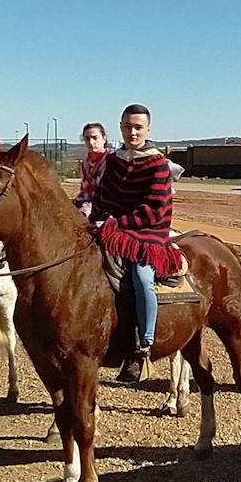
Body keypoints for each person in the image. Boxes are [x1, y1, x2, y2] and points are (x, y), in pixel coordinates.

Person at [91, 104, 183, 385]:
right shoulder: (115, 160)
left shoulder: (157, 164)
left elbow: (155, 209)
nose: (132, 132)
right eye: (127, 126)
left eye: (138, 127)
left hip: (147, 232)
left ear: (148, 129)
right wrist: (94, 218)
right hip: (113, 226)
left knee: (142, 277)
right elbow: (103, 195)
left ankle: (143, 345)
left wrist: (115, 225)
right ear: (120, 127)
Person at [73, 122, 109, 218]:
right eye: (87, 139)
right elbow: (84, 189)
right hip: (86, 202)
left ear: (104, 138)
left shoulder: (112, 159)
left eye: (95, 138)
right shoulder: (86, 162)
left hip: (107, 205)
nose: (91, 142)